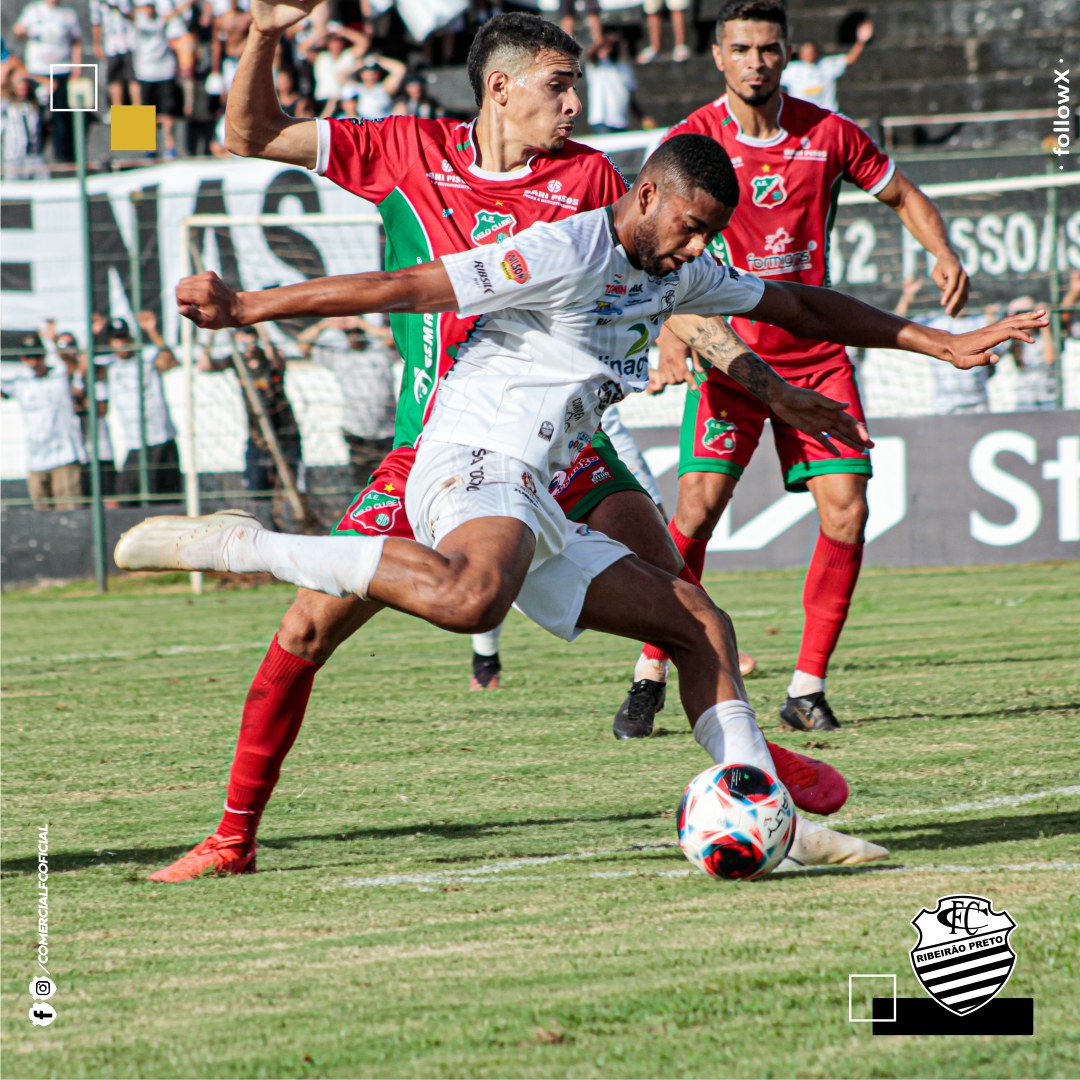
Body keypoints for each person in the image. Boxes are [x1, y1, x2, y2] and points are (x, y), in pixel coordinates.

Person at [119, 137, 1041, 878]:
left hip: (542, 487)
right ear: (647, 196)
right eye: (689, 226)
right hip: (467, 459)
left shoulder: (681, 271)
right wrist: (248, 308)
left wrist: (940, 342)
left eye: (710, 234)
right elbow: (411, 286)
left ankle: (769, 807)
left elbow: (799, 303)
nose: (697, 249)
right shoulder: (564, 247)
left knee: (697, 620)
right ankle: (249, 545)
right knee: (468, 600)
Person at [623, 0, 973, 739]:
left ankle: (807, 687)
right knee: (695, 513)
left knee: (848, 509)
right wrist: (674, 333)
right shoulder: (689, 140)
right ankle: (650, 670)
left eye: (769, 49)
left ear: (788, 55)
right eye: (742, 48)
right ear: (718, 56)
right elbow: (650, 244)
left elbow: (903, 193)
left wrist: (941, 251)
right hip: (731, 356)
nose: (756, 61)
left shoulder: (829, 133)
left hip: (814, 356)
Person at [199, 325, 316, 530]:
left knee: (291, 484)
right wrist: (210, 337)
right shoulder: (237, 360)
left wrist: (263, 329)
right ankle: (267, 527)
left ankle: (299, 523)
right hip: (257, 435)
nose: (249, 345)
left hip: (284, 432)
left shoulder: (268, 357)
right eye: (244, 340)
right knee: (258, 486)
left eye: (252, 340)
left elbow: (276, 360)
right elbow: (205, 366)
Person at [296, 316, 397, 491]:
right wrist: (325, 324)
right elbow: (302, 345)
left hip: (387, 432)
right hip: (356, 431)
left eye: (357, 332)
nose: (354, 336)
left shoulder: (379, 351)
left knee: (392, 483)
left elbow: (395, 339)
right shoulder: (339, 356)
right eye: (349, 333)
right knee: (362, 485)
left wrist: (361, 323)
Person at [102, 313, 183, 501]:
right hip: (135, 442)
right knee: (127, 497)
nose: (121, 344)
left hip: (161, 439)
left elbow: (171, 362)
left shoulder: (146, 357)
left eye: (124, 338)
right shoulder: (109, 366)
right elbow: (81, 371)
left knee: (165, 500)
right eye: (116, 340)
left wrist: (152, 332)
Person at [1, 331, 85, 509]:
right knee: (41, 514)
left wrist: (53, 339)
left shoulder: (60, 376)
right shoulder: (20, 382)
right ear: (23, 358)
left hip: (64, 456)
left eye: (37, 356)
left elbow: (75, 364)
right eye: (29, 357)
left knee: (69, 510)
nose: (34, 362)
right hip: (36, 459)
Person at [894, 276, 993, 415]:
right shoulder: (934, 323)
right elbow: (899, 325)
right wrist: (908, 297)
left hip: (978, 403)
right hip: (946, 406)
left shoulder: (982, 322)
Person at [12, 0, 81, 165]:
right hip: (39, 71)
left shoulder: (68, 14)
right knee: (37, 118)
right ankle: (33, 158)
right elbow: (18, 32)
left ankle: (140, 154)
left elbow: (77, 41)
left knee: (63, 118)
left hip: (62, 71)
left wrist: (77, 69)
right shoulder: (33, 11)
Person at [781, 17, 872, 113]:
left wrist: (861, 42)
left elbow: (850, 59)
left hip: (827, 115)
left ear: (817, 53)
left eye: (812, 51)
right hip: (803, 117)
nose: (809, 54)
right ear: (801, 55)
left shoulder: (827, 65)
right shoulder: (792, 69)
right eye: (806, 52)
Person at [585, 32, 654, 135]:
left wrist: (643, 117)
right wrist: (604, 42)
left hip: (621, 121)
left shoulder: (625, 68)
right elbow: (590, 54)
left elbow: (631, 98)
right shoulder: (598, 65)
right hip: (602, 121)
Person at [0, 69, 49, 179]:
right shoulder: (5, 105)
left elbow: (50, 85)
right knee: (13, 192)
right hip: (12, 159)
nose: (22, 86)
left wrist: (28, 75)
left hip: (34, 156)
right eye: (18, 82)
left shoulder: (34, 103)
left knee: (45, 189)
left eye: (24, 82)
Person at [91, 0, 138, 111]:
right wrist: (97, 44)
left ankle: (139, 120)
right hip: (111, 45)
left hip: (131, 43)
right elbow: (96, 22)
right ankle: (119, 117)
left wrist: (123, 9)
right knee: (115, 80)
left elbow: (138, 15)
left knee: (134, 81)